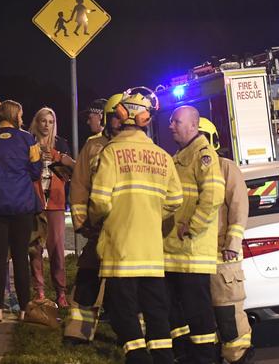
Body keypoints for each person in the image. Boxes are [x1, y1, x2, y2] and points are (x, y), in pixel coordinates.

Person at [88, 89, 183, 364]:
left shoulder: (111, 152)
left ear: (120, 114)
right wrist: (153, 214)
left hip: (120, 250)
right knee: (156, 310)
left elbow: (100, 201)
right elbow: (175, 200)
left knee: (124, 311)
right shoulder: (162, 156)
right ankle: (164, 358)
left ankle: (138, 358)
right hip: (152, 252)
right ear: (146, 118)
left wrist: (97, 220)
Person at [165, 106, 225, 364]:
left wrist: (193, 226)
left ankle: (204, 358)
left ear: (193, 125)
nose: (171, 126)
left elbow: (213, 197)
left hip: (192, 252)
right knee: (174, 311)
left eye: (176, 122)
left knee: (198, 314)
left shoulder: (203, 156)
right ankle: (185, 355)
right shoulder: (181, 156)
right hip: (176, 253)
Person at [0, 100, 42, 322]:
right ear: (15, 116)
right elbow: (35, 171)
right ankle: (24, 309)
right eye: (21, 114)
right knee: (21, 257)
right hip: (21, 205)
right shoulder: (28, 139)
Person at [64, 94, 121, 344]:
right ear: (107, 119)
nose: (120, 122)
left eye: (123, 117)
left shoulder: (137, 146)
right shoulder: (93, 146)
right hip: (98, 228)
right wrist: (81, 222)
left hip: (127, 229)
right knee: (87, 276)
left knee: (128, 286)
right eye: (116, 118)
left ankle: (132, 335)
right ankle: (78, 333)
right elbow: (79, 186)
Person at [199, 118, 254, 364]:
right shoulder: (186, 168)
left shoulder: (225, 167)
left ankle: (237, 357)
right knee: (204, 317)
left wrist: (232, 243)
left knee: (229, 315)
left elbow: (239, 206)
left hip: (223, 256)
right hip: (196, 256)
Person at [28, 107, 73, 307]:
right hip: (34, 202)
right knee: (35, 249)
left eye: (50, 121)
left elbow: (68, 173)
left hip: (55, 202)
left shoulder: (60, 144)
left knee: (56, 249)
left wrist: (55, 156)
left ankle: (60, 292)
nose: (46, 125)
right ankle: (39, 291)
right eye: (43, 121)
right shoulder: (28, 142)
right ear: (36, 122)